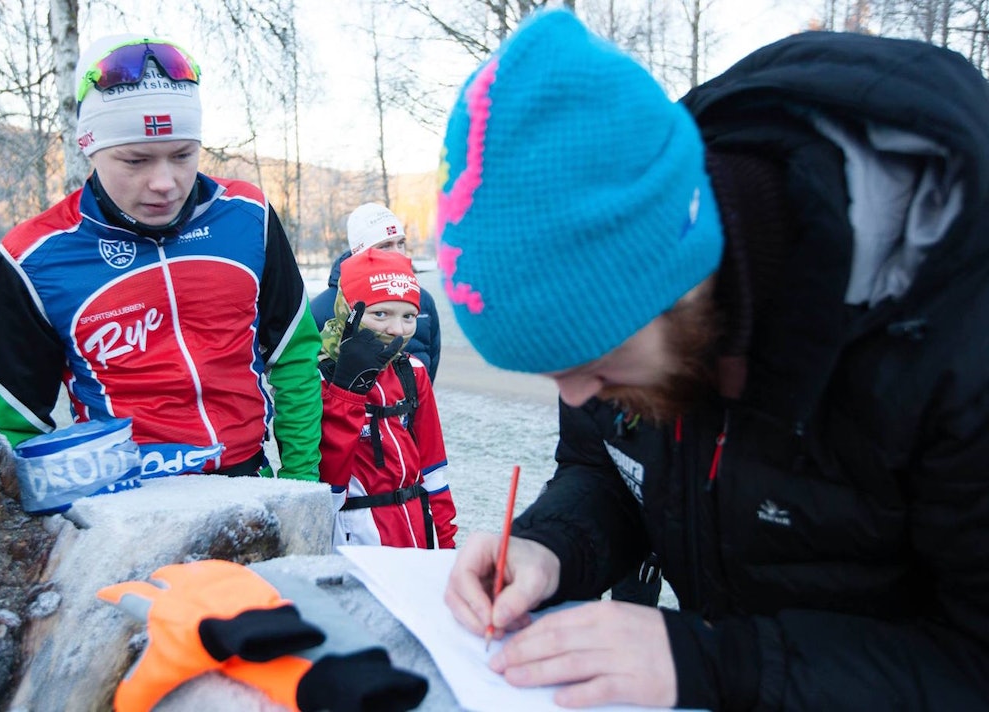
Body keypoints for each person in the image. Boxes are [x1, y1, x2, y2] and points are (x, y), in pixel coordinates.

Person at [437, 9, 989, 711]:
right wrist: (549, 547)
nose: (577, 396)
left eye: (594, 363)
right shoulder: (630, 322)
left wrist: (717, 663)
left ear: (679, 276)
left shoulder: (956, 336)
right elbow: (607, 469)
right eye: (556, 373)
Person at [0, 35, 322, 480]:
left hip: (247, 483)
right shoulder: (34, 256)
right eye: (136, 160)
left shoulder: (247, 215)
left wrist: (301, 482)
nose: (165, 182)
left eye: (182, 155)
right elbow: (10, 428)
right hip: (124, 503)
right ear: (89, 147)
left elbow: (294, 356)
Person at [317, 248, 456, 549]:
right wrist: (346, 394)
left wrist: (446, 542)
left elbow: (434, 470)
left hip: (415, 536)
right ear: (348, 311)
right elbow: (331, 491)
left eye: (409, 316)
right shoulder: (318, 377)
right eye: (380, 314)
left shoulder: (413, 372)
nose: (396, 330)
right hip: (356, 541)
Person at [311, 203, 442, 381]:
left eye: (401, 243)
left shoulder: (423, 299)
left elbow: (431, 361)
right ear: (359, 252)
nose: (397, 253)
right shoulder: (322, 308)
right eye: (385, 246)